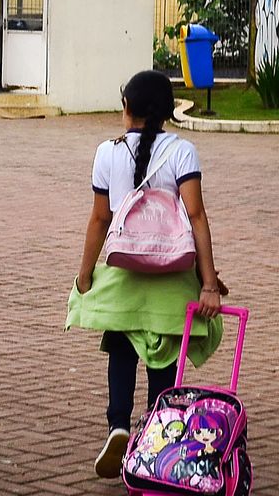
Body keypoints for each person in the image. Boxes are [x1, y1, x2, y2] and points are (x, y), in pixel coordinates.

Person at [66, 70, 229, 479]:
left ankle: (118, 425)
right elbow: (196, 215)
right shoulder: (183, 151)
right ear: (168, 110)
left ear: (127, 107)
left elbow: (100, 219)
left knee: (121, 346)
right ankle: (158, 435)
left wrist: (85, 275)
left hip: (124, 272)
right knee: (164, 357)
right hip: (172, 276)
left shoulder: (107, 152)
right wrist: (208, 282)